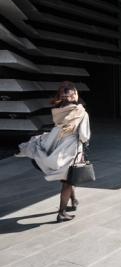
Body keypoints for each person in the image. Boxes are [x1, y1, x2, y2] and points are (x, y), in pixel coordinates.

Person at [16, 82, 90, 223]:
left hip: (56, 145)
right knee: (69, 179)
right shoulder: (80, 112)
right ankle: (61, 212)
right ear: (74, 95)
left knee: (68, 176)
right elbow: (84, 135)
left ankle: (73, 200)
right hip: (70, 150)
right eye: (75, 92)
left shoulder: (58, 110)